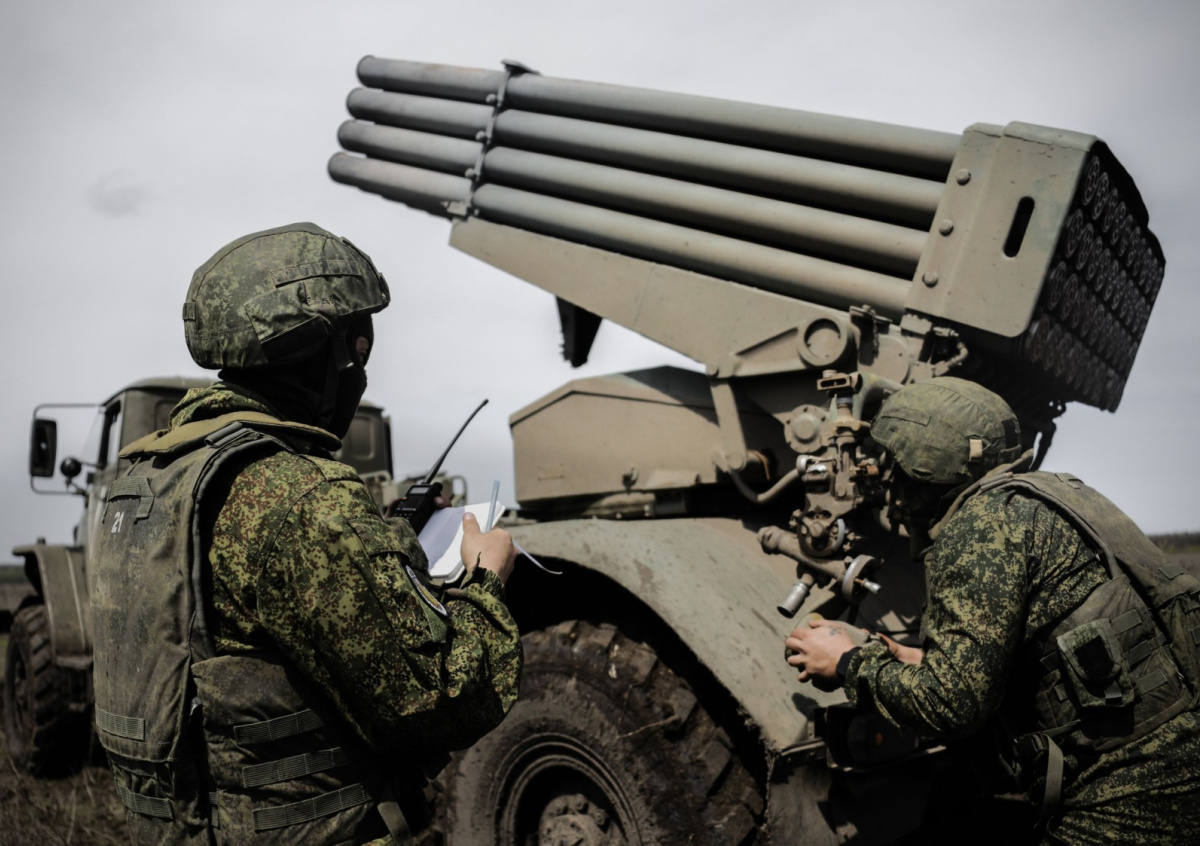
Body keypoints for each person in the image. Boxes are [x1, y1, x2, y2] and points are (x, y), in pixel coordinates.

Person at [90, 222, 522, 844]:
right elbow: (438, 701)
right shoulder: (301, 496)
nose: (361, 369)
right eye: (359, 346)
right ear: (332, 352)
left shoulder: (151, 477)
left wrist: (382, 538)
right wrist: (485, 582)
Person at [785, 376, 1200, 845]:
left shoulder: (980, 526)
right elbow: (1026, 645)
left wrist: (846, 662)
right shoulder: (1048, 494)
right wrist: (911, 658)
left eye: (896, 466)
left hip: (1135, 786)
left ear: (924, 468)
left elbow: (952, 706)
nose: (890, 483)